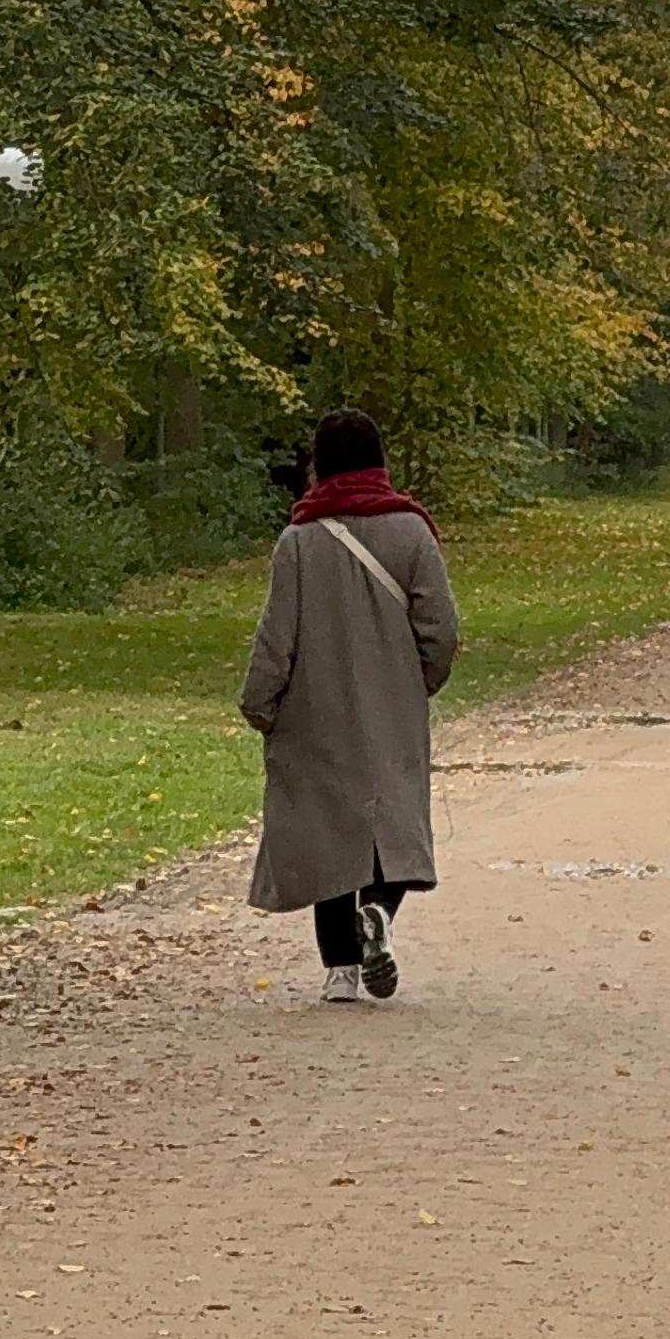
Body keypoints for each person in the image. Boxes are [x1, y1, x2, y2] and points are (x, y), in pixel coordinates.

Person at [239, 406, 459, 1005]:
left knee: (327, 825)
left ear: (321, 465)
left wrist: (259, 702)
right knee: (395, 820)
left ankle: (339, 970)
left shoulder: (299, 541)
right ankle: (379, 913)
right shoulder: (412, 531)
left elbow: (276, 635)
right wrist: (418, 684)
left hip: (314, 706)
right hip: (392, 701)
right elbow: (440, 629)